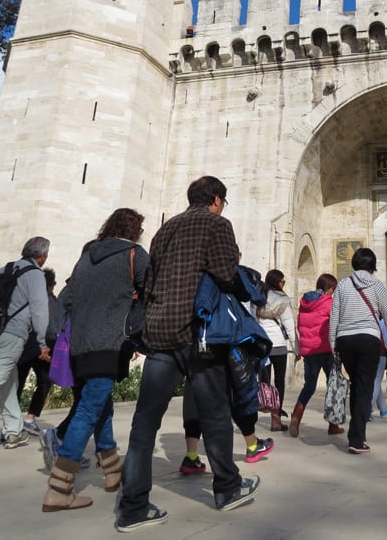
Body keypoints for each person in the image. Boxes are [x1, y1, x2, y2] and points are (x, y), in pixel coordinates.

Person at [117, 176, 260, 533]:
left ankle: (133, 506)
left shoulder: (164, 231)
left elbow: (149, 286)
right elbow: (226, 274)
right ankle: (227, 488)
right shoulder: (217, 224)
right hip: (199, 335)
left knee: (144, 422)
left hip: (160, 333)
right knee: (214, 414)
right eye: (223, 201)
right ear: (216, 199)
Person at [41, 208, 148, 514]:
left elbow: (68, 299)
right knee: (88, 410)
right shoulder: (135, 255)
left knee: (101, 406)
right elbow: (150, 293)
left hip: (79, 345)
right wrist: (134, 327)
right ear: (135, 230)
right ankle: (59, 489)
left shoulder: (86, 256)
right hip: (108, 344)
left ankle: (113, 471)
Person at [328, 247, 387, 455]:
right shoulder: (376, 284)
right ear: (372, 265)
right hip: (368, 338)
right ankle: (357, 439)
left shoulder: (343, 285)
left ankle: (358, 435)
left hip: (345, 340)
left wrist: (332, 341)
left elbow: (334, 315)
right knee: (364, 388)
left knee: (357, 385)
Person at [0, 237, 50, 449]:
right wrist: (41, 342)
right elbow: (40, 311)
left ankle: (13, 431)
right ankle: (13, 430)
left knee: (9, 382)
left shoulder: (4, 269)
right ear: (41, 256)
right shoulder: (34, 274)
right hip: (12, 335)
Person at [289, 273, 342, 438]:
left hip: (310, 352)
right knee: (333, 386)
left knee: (309, 386)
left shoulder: (305, 303)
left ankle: (296, 415)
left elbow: (300, 326)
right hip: (326, 350)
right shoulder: (329, 303)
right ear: (330, 288)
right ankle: (333, 425)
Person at [16, 267, 58, 437]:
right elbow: (53, 329)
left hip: (24, 347)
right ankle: (30, 418)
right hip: (42, 350)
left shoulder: (25, 299)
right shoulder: (51, 302)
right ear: (51, 285)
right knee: (45, 381)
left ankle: (11, 424)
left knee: (16, 385)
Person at [257, 269, 299, 432]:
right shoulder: (282, 300)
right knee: (279, 382)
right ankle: (276, 420)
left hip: (263, 346)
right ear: (277, 282)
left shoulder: (259, 298)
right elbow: (289, 325)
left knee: (264, 382)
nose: (283, 284)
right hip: (279, 346)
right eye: (282, 282)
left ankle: (265, 408)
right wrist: (296, 348)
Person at [370, 317, 387, 419]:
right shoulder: (383, 321)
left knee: (375, 380)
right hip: (381, 352)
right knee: (376, 381)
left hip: (369, 352)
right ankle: (368, 408)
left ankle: (383, 408)